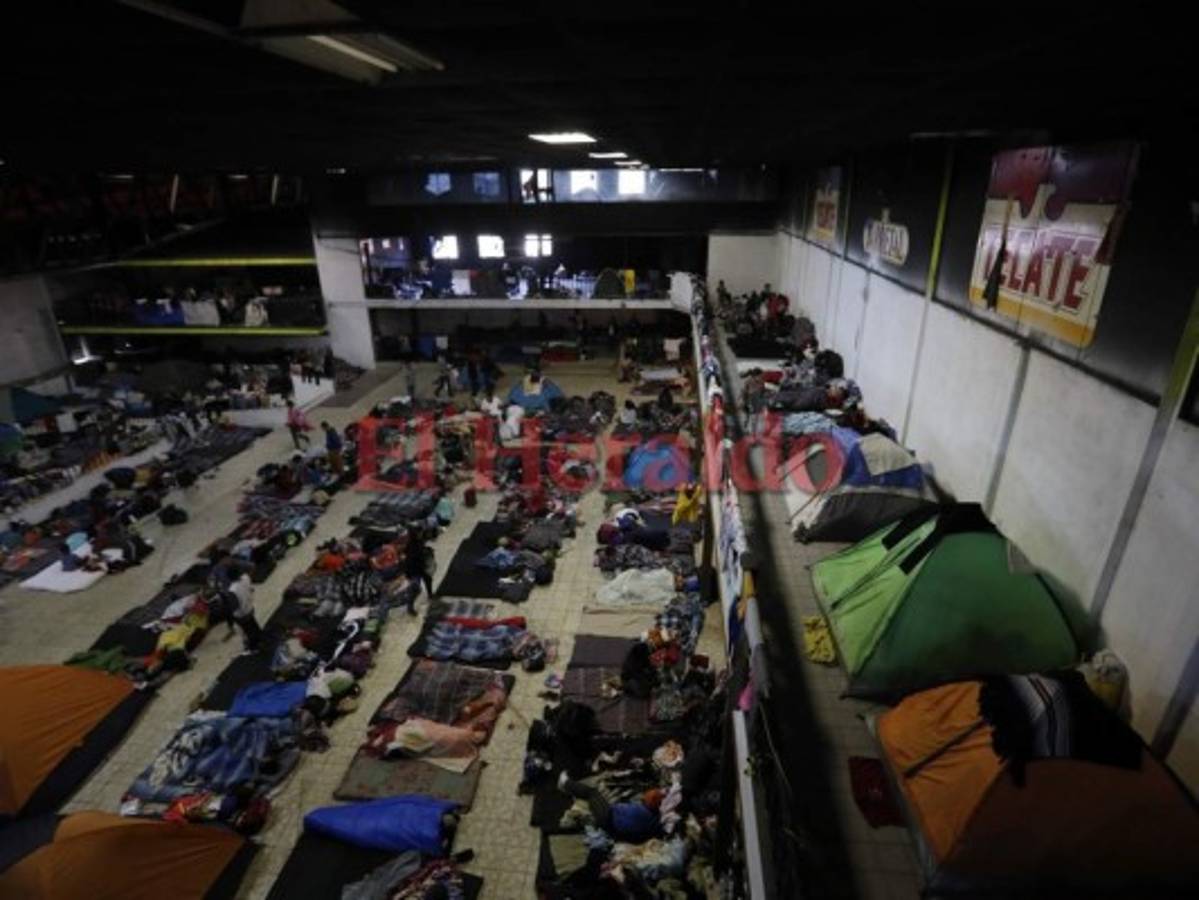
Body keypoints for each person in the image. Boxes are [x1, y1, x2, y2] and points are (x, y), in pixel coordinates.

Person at [228, 572, 262, 654]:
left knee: (248, 630)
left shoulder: (232, 589)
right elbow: (252, 589)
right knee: (254, 624)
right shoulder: (246, 577)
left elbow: (235, 605)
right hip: (250, 607)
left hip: (242, 614)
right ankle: (261, 638)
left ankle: (254, 648)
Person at [404, 526, 435, 612]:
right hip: (414, 570)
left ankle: (430, 594)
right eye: (419, 533)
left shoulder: (417, 542)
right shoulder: (412, 546)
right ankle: (410, 607)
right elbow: (412, 558)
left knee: (428, 579)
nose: (421, 534)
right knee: (415, 589)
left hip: (420, 567)